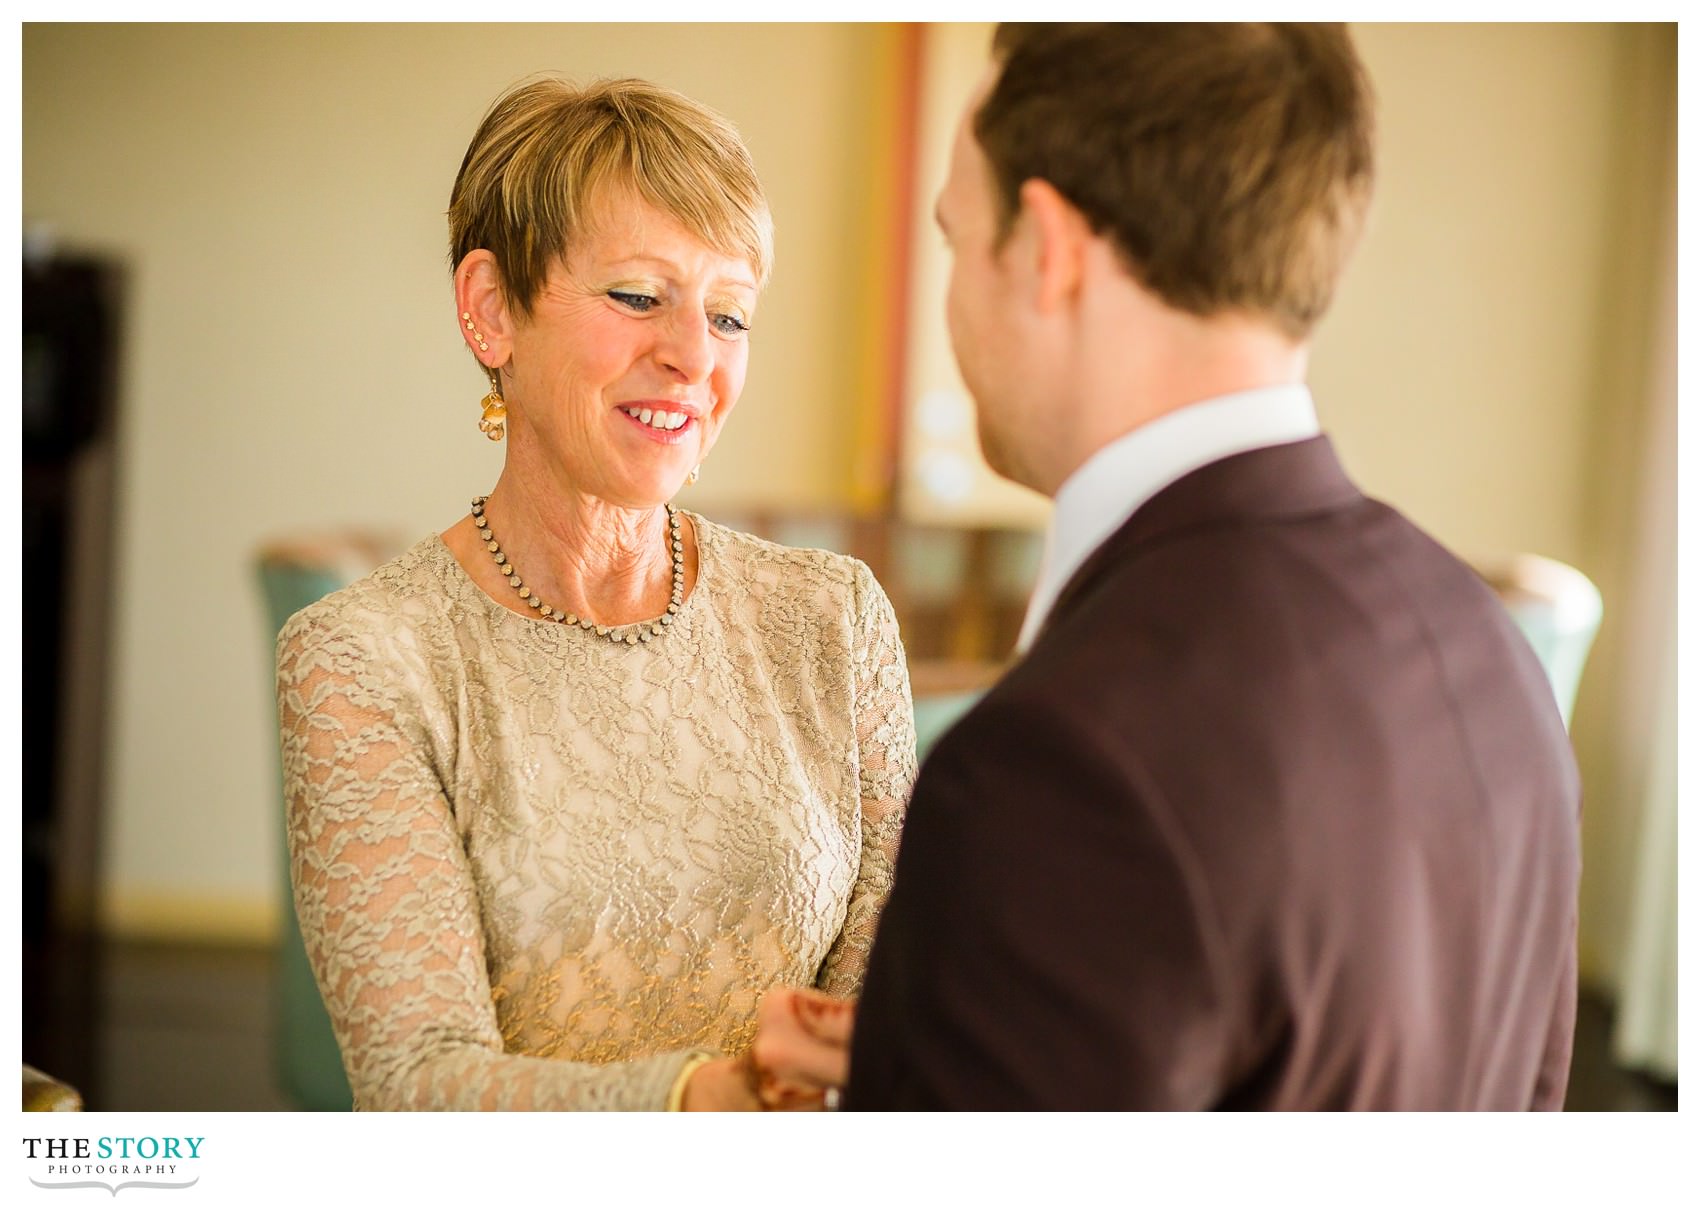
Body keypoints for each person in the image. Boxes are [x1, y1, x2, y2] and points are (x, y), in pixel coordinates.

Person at [757, 22, 1581, 1110]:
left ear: (1047, 247)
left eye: (956, 239)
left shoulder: (1058, 765)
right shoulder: (1482, 650)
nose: (954, 298)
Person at [275, 76, 916, 1111]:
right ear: (491, 310)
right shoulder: (362, 656)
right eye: (636, 296)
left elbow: (890, 1007)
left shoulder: (833, 618)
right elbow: (416, 1085)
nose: (692, 358)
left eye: (729, 315)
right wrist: (700, 1106)